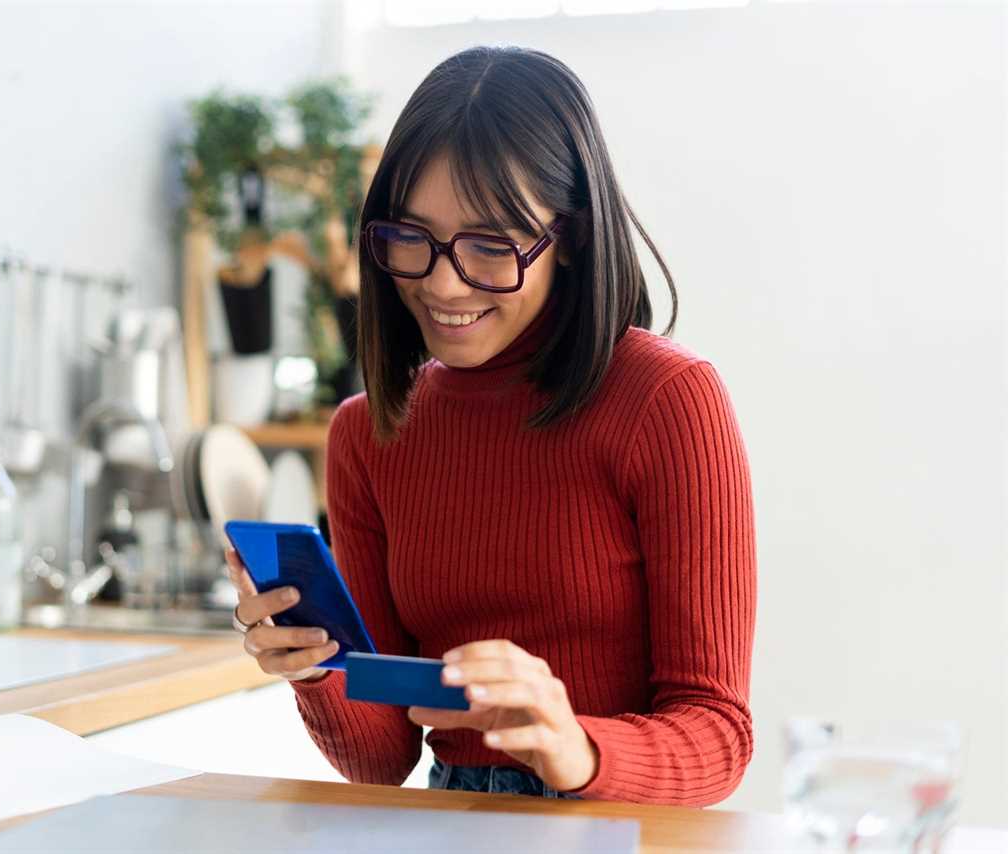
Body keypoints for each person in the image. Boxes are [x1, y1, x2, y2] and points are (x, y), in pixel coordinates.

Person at [226, 45, 756, 806]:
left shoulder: (668, 399)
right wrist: (313, 668)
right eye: (411, 237)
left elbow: (718, 735)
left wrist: (574, 746)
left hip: (620, 827)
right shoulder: (369, 433)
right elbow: (380, 761)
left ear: (568, 237)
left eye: (490, 245)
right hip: (452, 819)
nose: (442, 283)